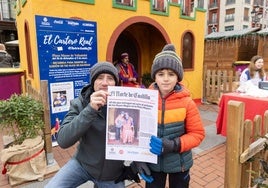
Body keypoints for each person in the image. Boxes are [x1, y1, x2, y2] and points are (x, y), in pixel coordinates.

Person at [45, 62, 140, 188]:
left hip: (112, 175)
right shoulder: (80, 103)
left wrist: (135, 165)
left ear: (116, 84)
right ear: (93, 82)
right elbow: (63, 140)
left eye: (110, 78)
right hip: (82, 165)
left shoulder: (126, 105)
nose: (105, 82)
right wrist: (90, 109)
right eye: (100, 78)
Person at [132, 44, 205, 188]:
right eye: (161, 74)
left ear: (178, 77)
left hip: (179, 164)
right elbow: (135, 131)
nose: (166, 79)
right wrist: (138, 159)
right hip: (153, 163)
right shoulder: (145, 99)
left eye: (171, 74)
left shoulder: (187, 103)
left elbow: (197, 134)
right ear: (155, 77)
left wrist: (173, 145)